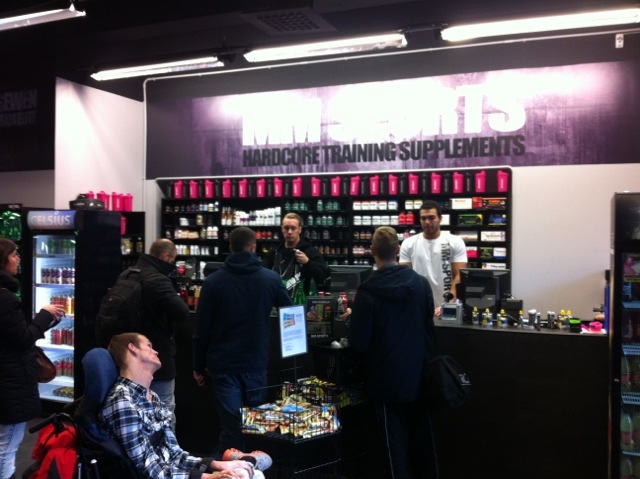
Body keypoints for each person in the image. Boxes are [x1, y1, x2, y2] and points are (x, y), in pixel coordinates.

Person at [99, 333, 269, 479]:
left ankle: (241, 462)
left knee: (251, 473)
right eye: (149, 346)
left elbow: (175, 453)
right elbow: (148, 469)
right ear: (132, 348)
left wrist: (217, 465)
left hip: (172, 473)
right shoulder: (123, 401)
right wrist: (207, 477)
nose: (156, 351)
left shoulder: (152, 397)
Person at [193, 227, 292, 459]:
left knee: (232, 429)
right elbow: (291, 312)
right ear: (253, 247)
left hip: (223, 365)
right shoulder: (270, 279)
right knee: (253, 426)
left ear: (231, 247)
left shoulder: (213, 282)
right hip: (255, 362)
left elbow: (201, 330)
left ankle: (226, 466)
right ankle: (244, 467)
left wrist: (197, 366)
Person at [347, 226, 438, 479]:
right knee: (423, 446)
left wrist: (353, 320)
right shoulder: (420, 284)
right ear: (398, 249)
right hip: (419, 376)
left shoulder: (367, 291)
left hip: (386, 381)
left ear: (372, 251)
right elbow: (428, 328)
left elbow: (359, 343)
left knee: (393, 448)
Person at [103, 238, 190, 427]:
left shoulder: (127, 274)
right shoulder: (157, 279)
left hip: (128, 356)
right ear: (165, 256)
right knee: (164, 410)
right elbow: (182, 313)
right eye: (172, 260)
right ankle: (164, 446)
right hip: (156, 356)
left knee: (133, 409)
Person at [0, 238, 66, 479]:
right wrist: (44, 316)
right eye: (14, 254)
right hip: (10, 383)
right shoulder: (6, 298)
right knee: (7, 447)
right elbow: (23, 339)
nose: (18, 259)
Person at [399, 200, 468, 316]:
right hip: (417, 306)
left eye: (431, 218)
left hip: (446, 305)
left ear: (440, 218)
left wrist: (448, 304)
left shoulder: (455, 241)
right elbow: (404, 276)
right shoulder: (408, 243)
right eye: (423, 218)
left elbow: (459, 275)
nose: (427, 222)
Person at [262, 212, 329, 297]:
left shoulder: (310, 251)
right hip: (277, 300)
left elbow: (323, 277)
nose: (289, 232)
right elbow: (262, 275)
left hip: (302, 301)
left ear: (299, 230)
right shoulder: (275, 252)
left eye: (293, 228)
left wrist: (307, 262)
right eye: (286, 228)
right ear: (282, 229)